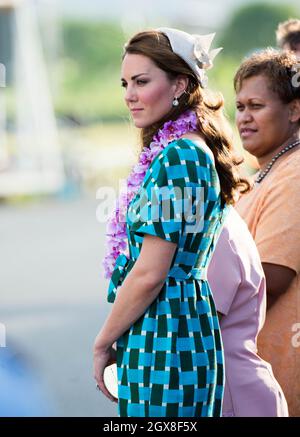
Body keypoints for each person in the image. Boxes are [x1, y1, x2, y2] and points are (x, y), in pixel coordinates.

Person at [93, 27, 249, 417]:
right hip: (172, 322)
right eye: (125, 83)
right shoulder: (183, 149)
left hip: (168, 329)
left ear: (180, 83)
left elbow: (150, 272)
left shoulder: (180, 154)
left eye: (142, 81)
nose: (129, 94)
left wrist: (102, 341)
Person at [234, 49, 300, 416]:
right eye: (240, 106)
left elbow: (268, 278)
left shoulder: (294, 174)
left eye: (256, 105)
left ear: (294, 110)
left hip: (279, 379)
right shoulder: (264, 174)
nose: (244, 117)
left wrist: (186, 320)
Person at [208, 207, 288, 417]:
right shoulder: (214, 221)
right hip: (228, 388)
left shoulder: (217, 231)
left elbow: (198, 326)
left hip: (236, 395)